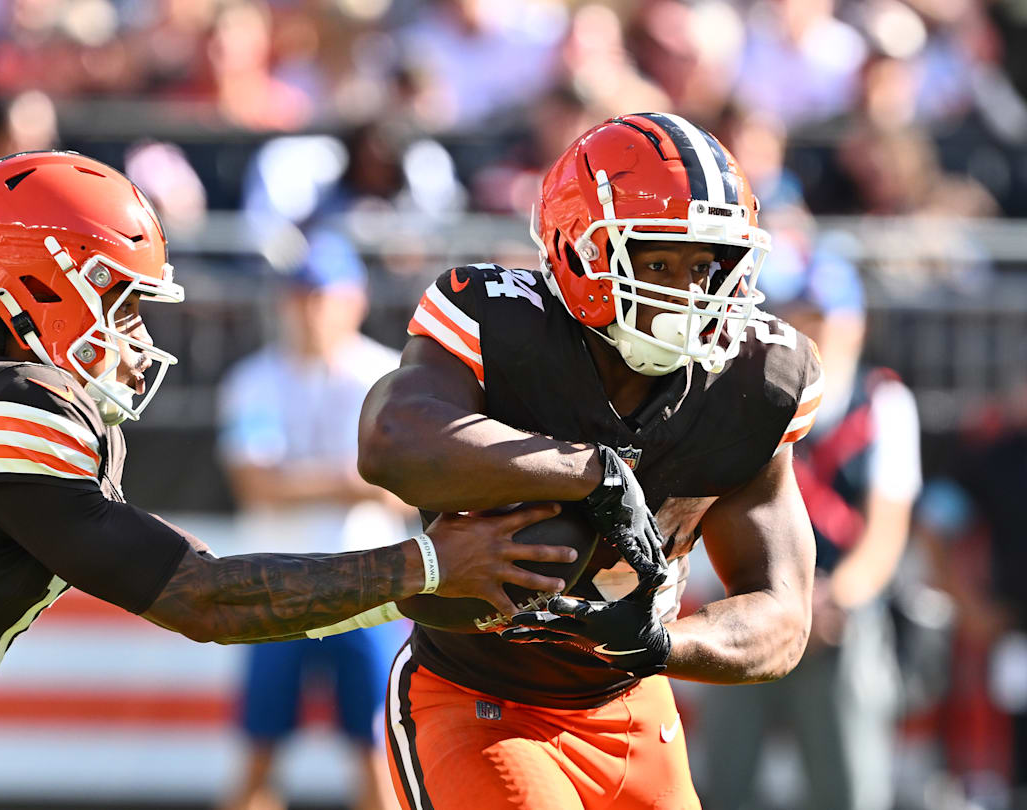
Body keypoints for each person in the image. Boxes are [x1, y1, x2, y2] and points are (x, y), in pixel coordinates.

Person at [0, 151, 573, 810]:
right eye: (124, 303)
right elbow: (204, 597)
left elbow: (205, 589)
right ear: (44, 287)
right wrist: (423, 567)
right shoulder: (16, 407)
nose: (136, 336)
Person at [353, 113, 822, 810]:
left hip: (632, 706)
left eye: (706, 265)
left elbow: (783, 617)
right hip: (481, 697)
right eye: (658, 262)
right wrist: (586, 468)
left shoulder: (758, 376)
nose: (688, 295)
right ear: (579, 251)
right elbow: (392, 437)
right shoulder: (501, 323)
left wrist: (659, 643)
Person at [694, 225, 921, 810]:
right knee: (724, 779)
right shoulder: (744, 396)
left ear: (855, 325)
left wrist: (829, 600)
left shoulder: (884, 403)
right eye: (799, 315)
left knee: (847, 784)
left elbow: (885, 532)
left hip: (839, 619)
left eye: (823, 317)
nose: (810, 332)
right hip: (745, 603)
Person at [217, 231, 406, 810]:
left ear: (354, 298)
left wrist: (301, 483)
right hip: (280, 586)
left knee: (378, 750)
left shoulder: (388, 376)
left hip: (366, 591)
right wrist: (355, 482)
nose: (311, 309)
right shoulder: (254, 379)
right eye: (302, 296)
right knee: (259, 749)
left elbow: (401, 493)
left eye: (322, 295)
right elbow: (255, 484)